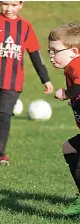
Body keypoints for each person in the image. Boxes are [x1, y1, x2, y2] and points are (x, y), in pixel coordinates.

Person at [0, 1, 54, 166]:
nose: (8, 8)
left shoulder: (25, 27)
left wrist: (45, 79)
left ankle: (0, 155)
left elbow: (35, 54)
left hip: (13, 82)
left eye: (13, 5)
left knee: (4, 115)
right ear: (0, 3)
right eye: (5, 4)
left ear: (21, 5)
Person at [49, 23, 80, 218]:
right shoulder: (70, 68)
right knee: (69, 148)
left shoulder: (76, 64)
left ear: (74, 51)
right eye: (49, 51)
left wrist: (66, 94)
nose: (51, 56)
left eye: (55, 51)